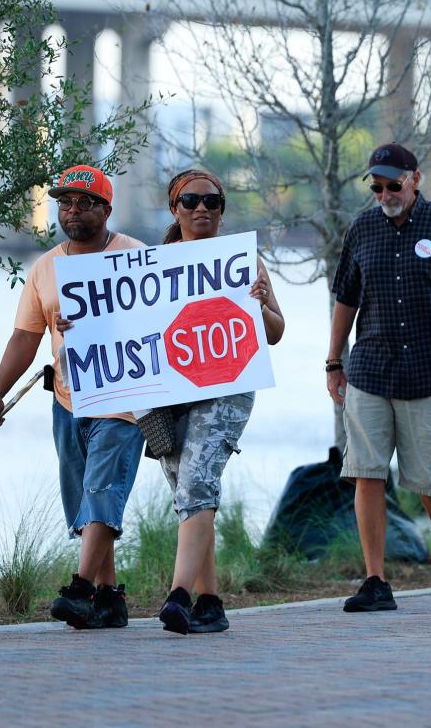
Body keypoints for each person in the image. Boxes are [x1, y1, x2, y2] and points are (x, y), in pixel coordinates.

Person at [327, 142, 431, 612]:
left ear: (414, 179)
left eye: (392, 185)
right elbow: (345, 299)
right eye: (376, 187)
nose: (384, 194)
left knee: (428, 483)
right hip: (370, 372)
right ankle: (376, 581)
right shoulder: (362, 229)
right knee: (366, 474)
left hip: (429, 375)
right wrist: (333, 361)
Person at [0, 165, 146, 629]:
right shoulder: (45, 267)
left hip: (123, 396)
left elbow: (163, 324)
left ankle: (79, 591)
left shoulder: (136, 257)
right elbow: (24, 338)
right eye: (65, 203)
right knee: (81, 499)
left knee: (101, 489)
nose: (73, 211)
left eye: (85, 203)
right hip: (69, 398)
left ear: (106, 209)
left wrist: (102, 320)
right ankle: (111, 598)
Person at [153, 168, 285, 634]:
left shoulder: (242, 260)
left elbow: (275, 332)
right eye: (190, 201)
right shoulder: (153, 263)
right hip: (170, 396)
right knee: (187, 492)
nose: (201, 209)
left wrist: (260, 304)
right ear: (175, 209)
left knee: (197, 484)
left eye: (212, 201)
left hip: (227, 389)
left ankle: (178, 596)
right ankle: (211, 603)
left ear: (222, 210)